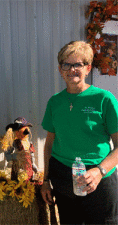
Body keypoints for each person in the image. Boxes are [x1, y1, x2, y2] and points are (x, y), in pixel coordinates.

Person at [41, 41, 118, 224]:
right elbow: (49, 144)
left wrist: (99, 171)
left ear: (88, 68)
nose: (71, 69)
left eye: (78, 64)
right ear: (60, 69)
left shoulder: (104, 99)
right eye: (66, 65)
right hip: (63, 179)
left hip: (98, 177)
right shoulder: (55, 102)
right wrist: (46, 180)